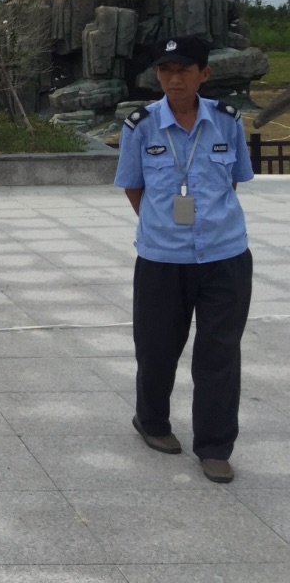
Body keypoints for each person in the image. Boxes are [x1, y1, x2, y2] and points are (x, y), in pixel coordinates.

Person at [114, 35, 254, 483]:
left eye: (184, 70)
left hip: (225, 255)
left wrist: (204, 224)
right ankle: (151, 422)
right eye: (165, 71)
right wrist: (167, 227)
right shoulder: (140, 126)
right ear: (157, 75)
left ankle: (214, 446)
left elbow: (232, 181)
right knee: (156, 347)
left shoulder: (228, 123)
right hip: (162, 259)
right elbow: (133, 187)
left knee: (219, 352)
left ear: (204, 74)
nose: (174, 79)